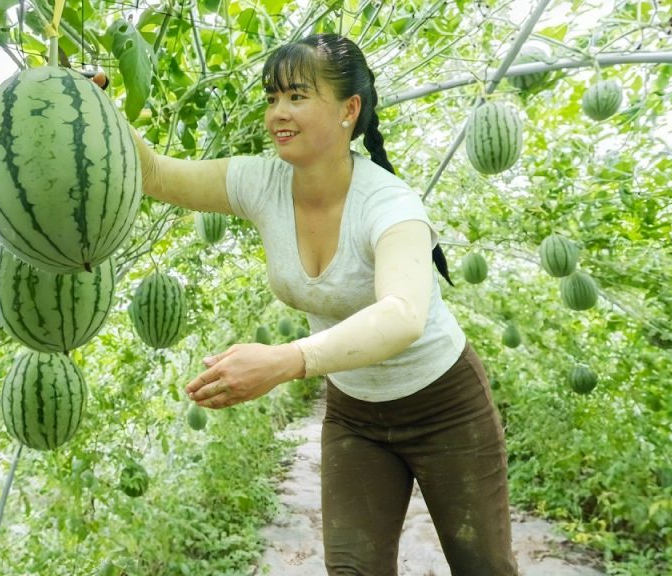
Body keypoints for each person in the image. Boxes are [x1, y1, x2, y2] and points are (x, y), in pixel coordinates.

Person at [125, 33, 518, 576]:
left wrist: (285, 360)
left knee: (484, 569)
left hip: (446, 409)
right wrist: (92, 102)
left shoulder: (389, 204)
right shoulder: (261, 183)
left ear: (348, 110)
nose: (278, 113)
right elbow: (154, 174)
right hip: (355, 416)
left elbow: (402, 315)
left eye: (297, 97)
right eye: (272, 98)